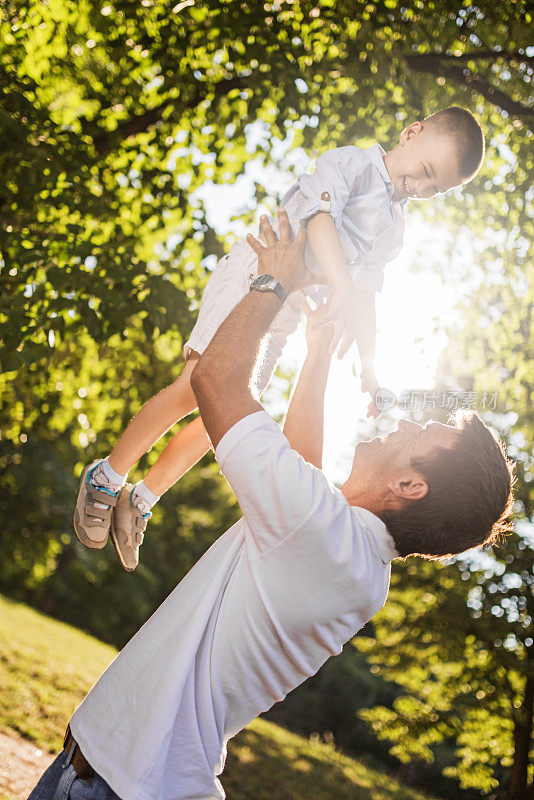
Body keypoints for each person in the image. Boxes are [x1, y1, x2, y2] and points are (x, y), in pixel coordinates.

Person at [30, 210, 514, 800]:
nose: (406, 423)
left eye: (423, 433)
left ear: (412, 487)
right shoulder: (350, 556)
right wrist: (317, 353)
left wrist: (274, 280)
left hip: (120, 787)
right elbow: (302, 468)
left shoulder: (326, 537)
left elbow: (215, 377)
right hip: (108, 773)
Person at [73, 106, 486, 571]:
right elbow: (319, 223)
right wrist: (342, 285)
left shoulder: (394, 229)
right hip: (256, 273)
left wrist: (370, 369)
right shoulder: (352, 164)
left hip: (283, 311)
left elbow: (366, 296)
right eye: (427, 172)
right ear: (411, 134)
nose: (424, 188)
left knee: (223, 412)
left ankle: (142, 499)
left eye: (437, 188)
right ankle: (107, 475)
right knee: (196, 386)